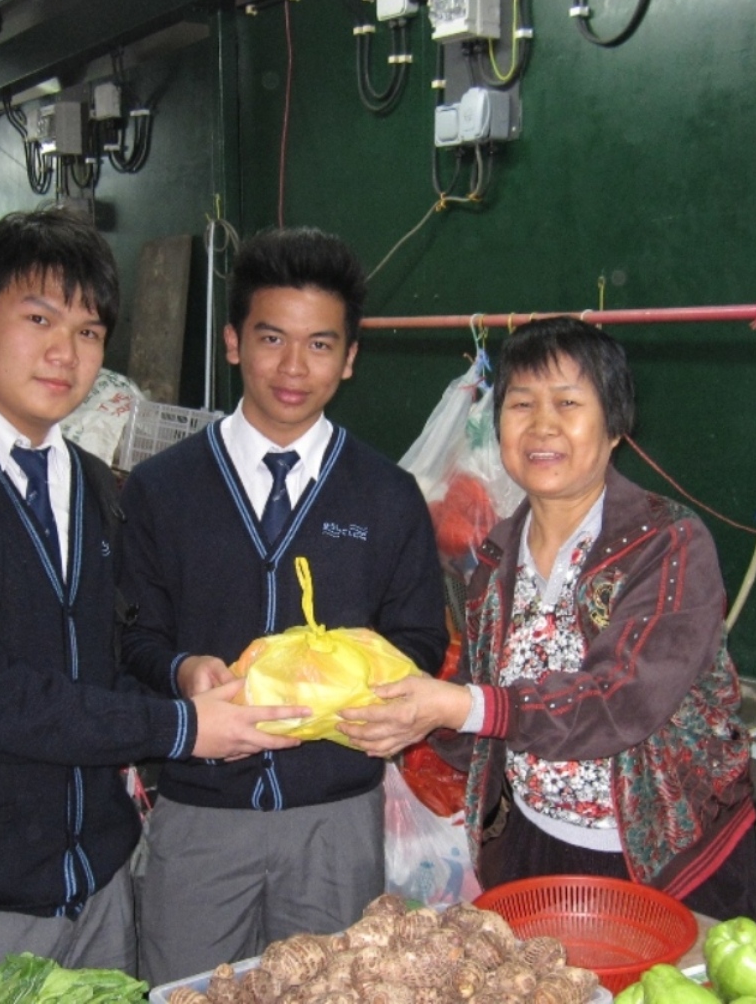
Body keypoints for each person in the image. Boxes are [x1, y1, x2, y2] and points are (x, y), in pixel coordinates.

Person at [0, 208, 308, 1003]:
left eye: (89, 332)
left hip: (97, 889)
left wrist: (182, 676)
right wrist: (182, 728)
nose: (64, 354)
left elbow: (104, 658)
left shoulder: (93, 486)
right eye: (38, 319)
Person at [340, 317, 756, 921]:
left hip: (663, 863)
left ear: (615, 423)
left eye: (568, 402)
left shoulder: (666, 542)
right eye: (521, 404)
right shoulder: (494, 558)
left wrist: (457, 707)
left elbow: (620, 699)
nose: (542, 425)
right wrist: (403, 716)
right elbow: (482, 709)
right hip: (530, 846)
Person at [118, 226, 450, 985]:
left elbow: (420, 639)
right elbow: (131, 637)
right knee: (189, 994)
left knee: (333, 994)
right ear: (234, 342)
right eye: (272, 338)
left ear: (350, 357)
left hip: (336, 818)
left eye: (320, 344)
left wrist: (368, 691)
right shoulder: (163, 488)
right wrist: (183, 670)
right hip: (200, 815)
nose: (294, 367)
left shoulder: (386, 494)